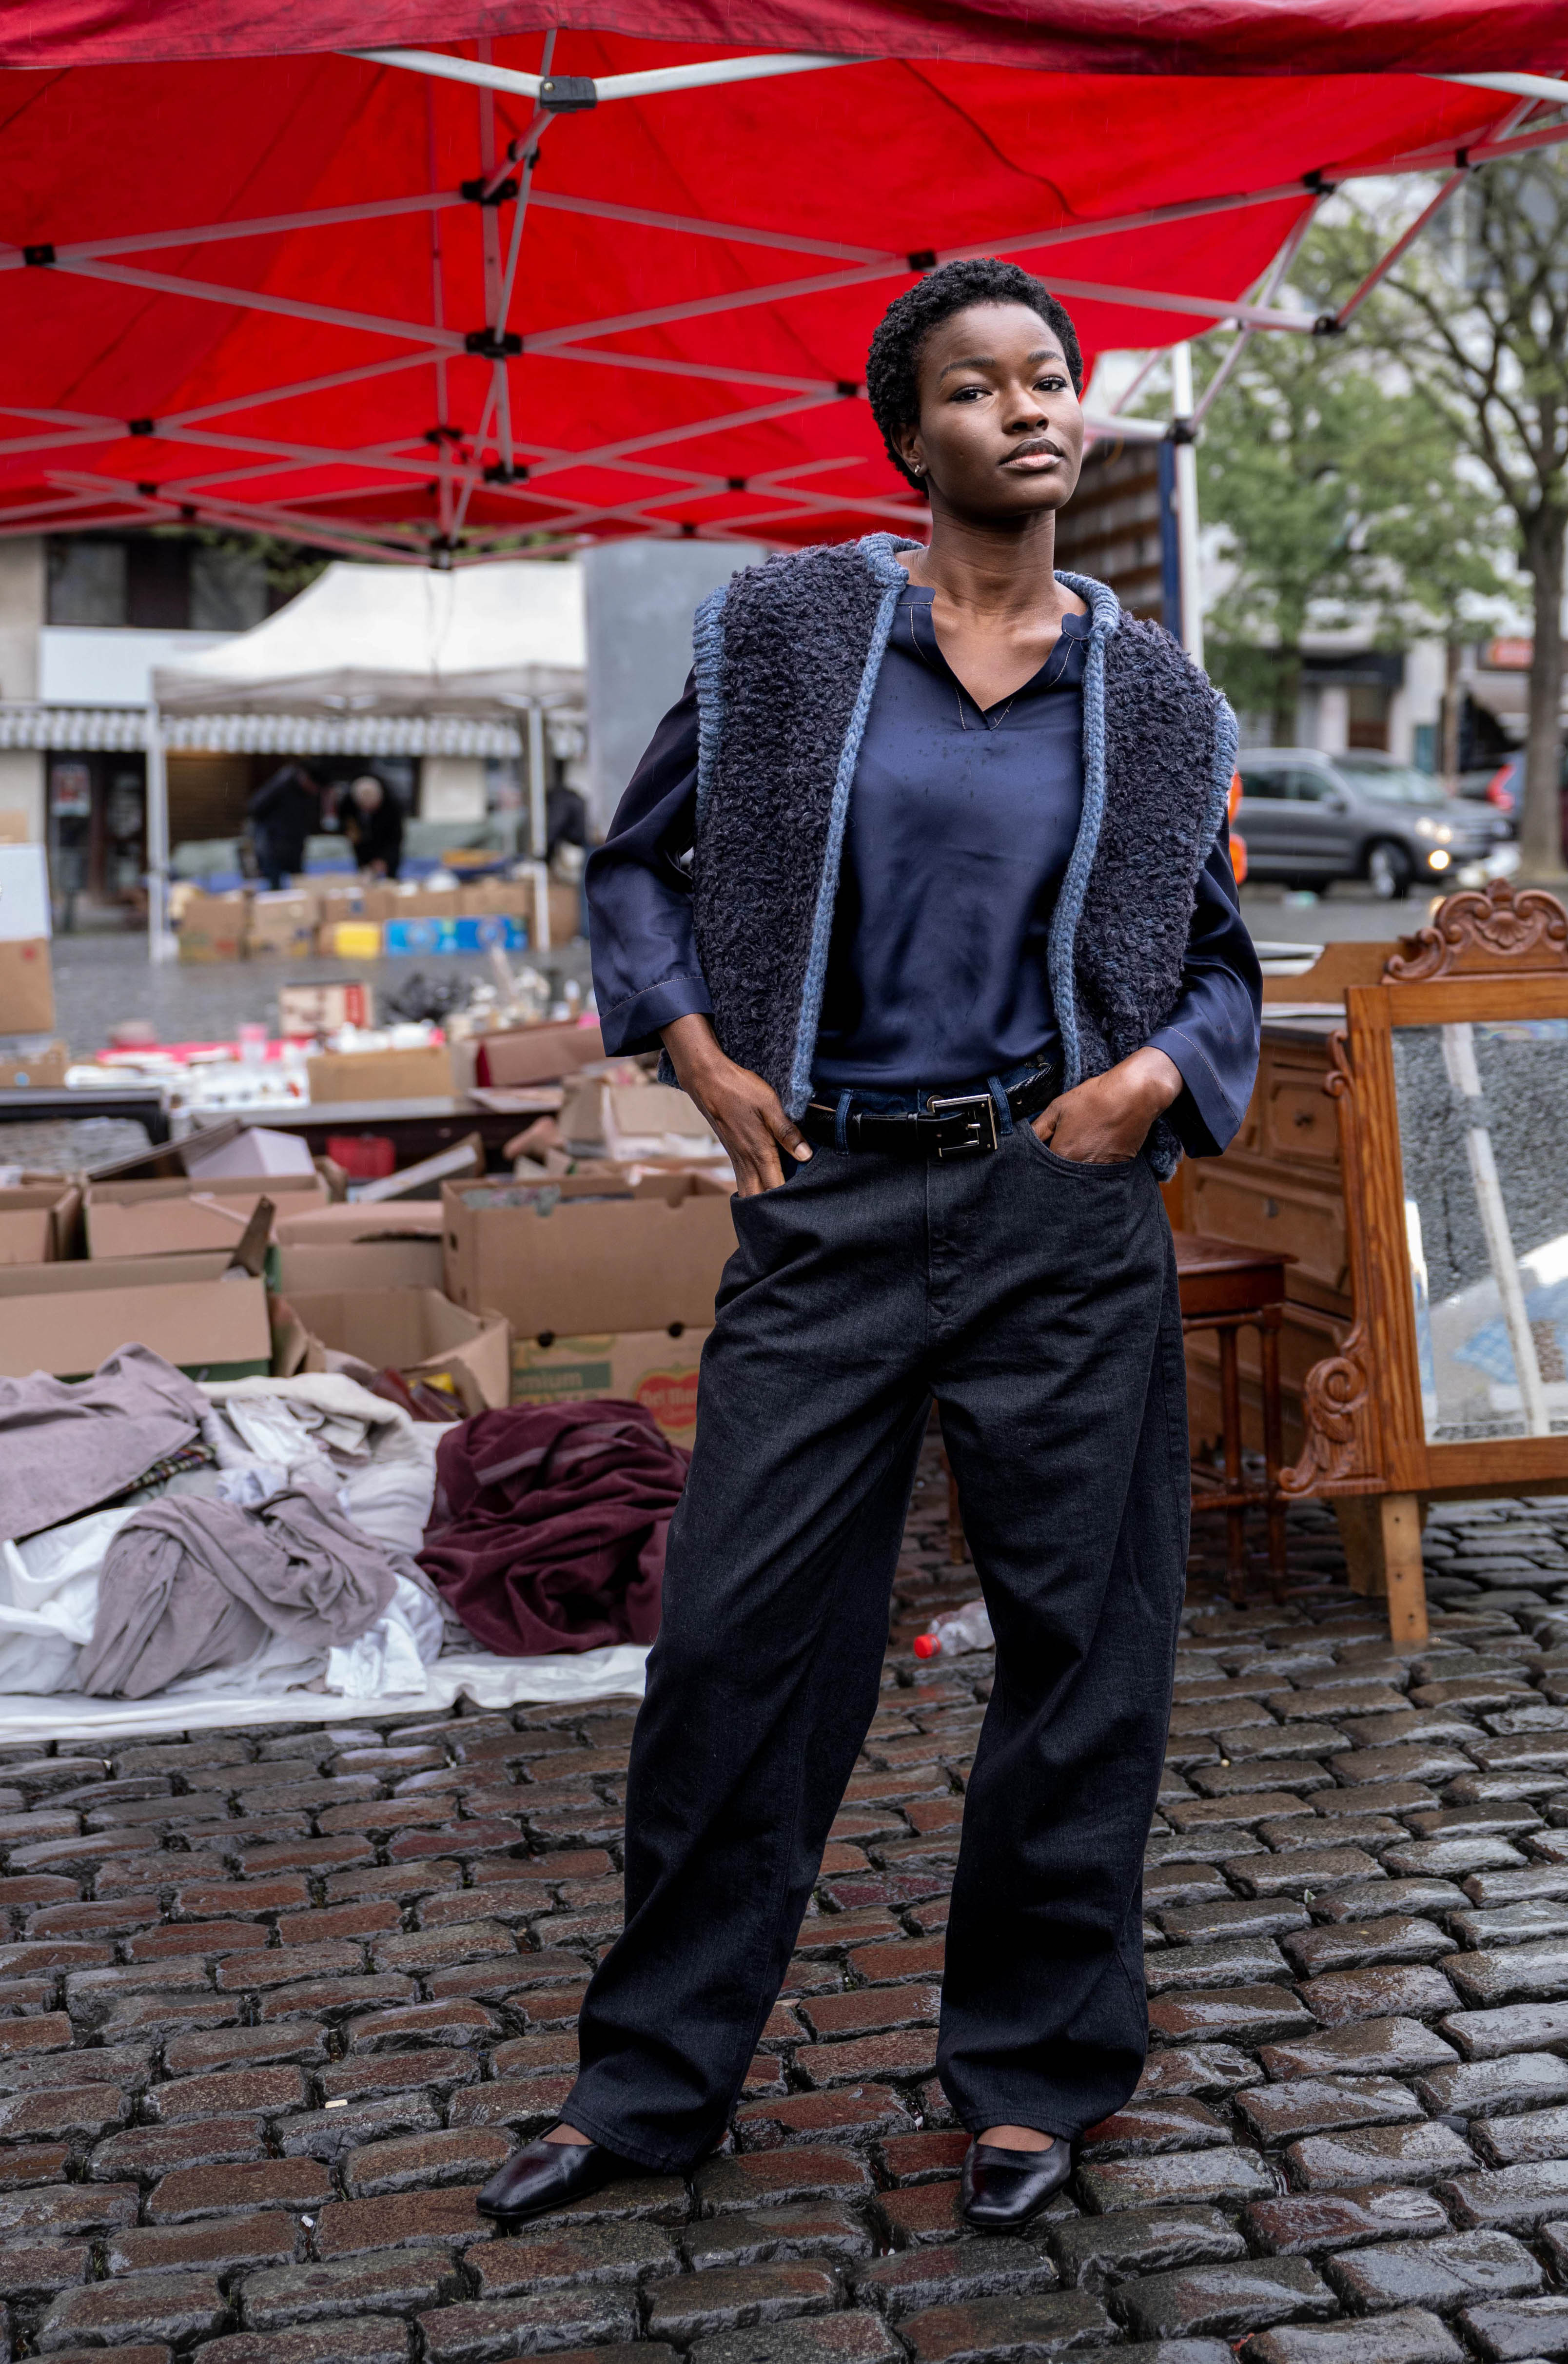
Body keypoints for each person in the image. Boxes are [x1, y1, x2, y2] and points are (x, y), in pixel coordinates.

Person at [477, 259, 1261, 2234]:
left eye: (1055, 379)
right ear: (910, 434)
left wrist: (1147, 1085)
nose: (1032, 409)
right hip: (824, 1202)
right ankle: (650, 2080)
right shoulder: (793, 639)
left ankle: (1032, 2078)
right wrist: (694, 1048)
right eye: (982, 386)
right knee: (736, 1639)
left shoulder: (1156, 696)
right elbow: (636, 862)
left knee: (1086, 1653)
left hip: (1056, 1211)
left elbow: (1221, 966)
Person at [245, 763, 322, 889]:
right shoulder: (282, 784)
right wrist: (274, 829)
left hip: (295, 849)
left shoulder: (307, 795)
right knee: (275, 890)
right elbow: (254, 807)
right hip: (273, 849)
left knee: (300, 888)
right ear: (306, 779)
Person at [336, 773, 405, 879]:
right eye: (364, 807)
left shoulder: (392, 807)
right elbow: (344, 823)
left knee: (389, 879)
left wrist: (384, 859)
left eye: (372, 807)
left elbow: (396, 839)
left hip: (385, 845)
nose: (368, 810)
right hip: (362, 847)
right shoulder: (348, 804)